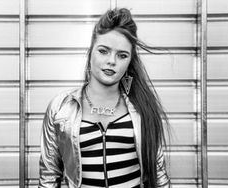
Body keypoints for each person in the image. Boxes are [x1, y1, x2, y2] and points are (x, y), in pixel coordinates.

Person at [39, 8, 170, 188]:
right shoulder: (61, 107)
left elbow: (159, 174)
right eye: (103, 51)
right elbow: (49, 176)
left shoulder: (142, 108)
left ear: (130, 61)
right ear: (91, 51)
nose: (112, 61)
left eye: (122, 55)